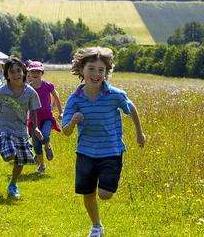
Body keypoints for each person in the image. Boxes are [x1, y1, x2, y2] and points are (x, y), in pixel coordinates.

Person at [61, 47, 146, 237]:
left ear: (106, 72)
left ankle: (108, 182)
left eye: (101, 70)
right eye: (91, 69)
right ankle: (96, 226)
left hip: (111, 151)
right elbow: (65, 132)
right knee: (88, 192)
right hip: (85, 152)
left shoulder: (115, 95)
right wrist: (73, 121)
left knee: (105, 194)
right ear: (81, 69)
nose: (96, 74)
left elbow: (131, 109)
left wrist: (140, 133)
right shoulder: (74, 99)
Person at [0, 57, 44, 199]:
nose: (16, 74)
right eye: (12, 72)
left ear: (24, 72)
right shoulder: (2, 90)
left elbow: (34, 110)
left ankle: (13, 184)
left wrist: (35, 128)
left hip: (21, 130)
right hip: (4, 128)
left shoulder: (30, 92)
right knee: (11, 154)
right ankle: (2, 145)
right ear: (7, 75)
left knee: (21, 160)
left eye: (19, 71)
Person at [27, 61, 63, 174]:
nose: (35, 73)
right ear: (29, 73)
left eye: (38, 71)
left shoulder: (48, 86)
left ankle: (47, 146)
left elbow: (56, 97)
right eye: (33, 71)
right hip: (34, 120)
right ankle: (42, 165)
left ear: (42, 73)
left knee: (45, 135)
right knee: (36, 144)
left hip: (47, 117)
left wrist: (61, 112)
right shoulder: (28, 88)